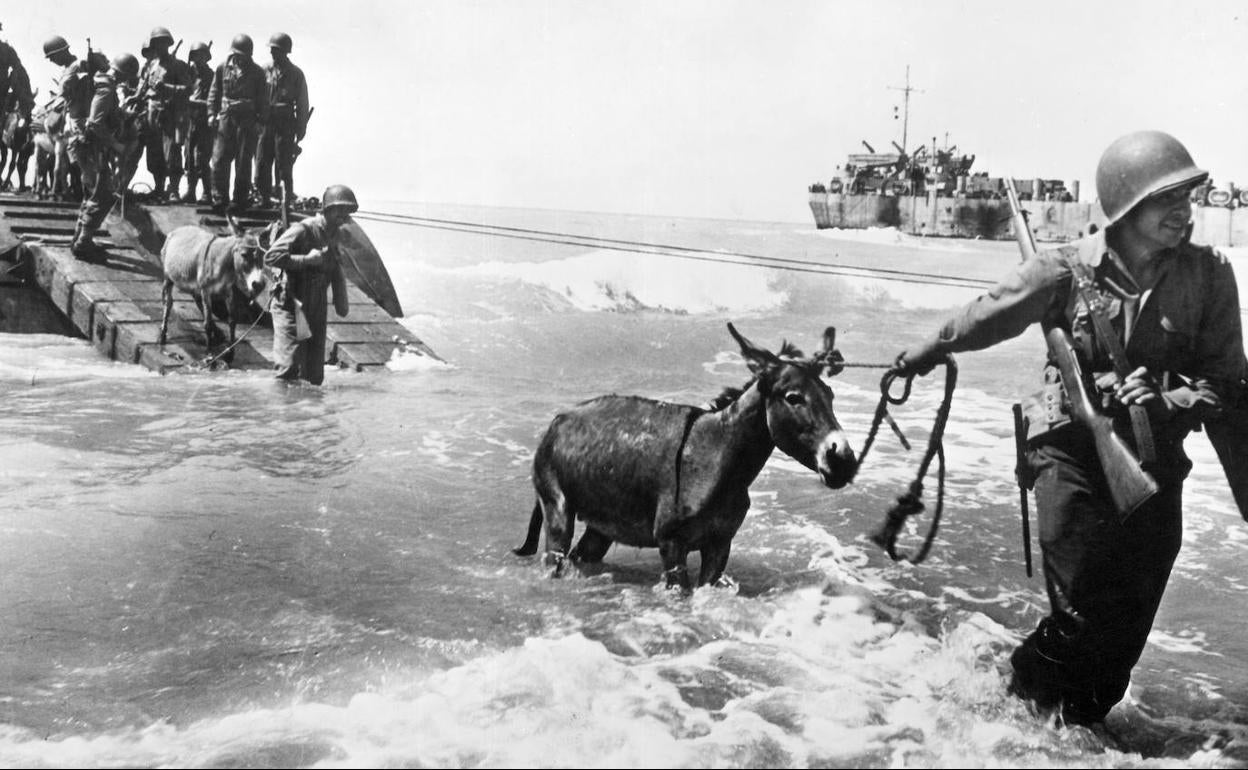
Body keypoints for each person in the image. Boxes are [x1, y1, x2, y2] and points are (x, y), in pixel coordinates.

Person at [888, 130, 1245, 727]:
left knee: (1125, 629)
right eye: (1168, 200)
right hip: (1068, 448)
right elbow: (984, 316)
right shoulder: (1062, 271)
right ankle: (1018, 703)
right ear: (1129, 208)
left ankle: (1075, 730)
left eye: (1190, 196)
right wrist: (923, 352)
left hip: (1154, 459)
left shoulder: (1208, 275)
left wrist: (1168, 399)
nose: (1185, 212)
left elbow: (1226, 382)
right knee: (1079, 610)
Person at [263, 183, 353, 385]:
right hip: (290, 304)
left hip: (316, 307)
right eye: (341, 210)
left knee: (314, 375)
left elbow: (336, 269)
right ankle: (282, 411)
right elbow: (271, 257)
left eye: (348, 212)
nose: (344, 217)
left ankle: (308, 415)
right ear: (328, 209)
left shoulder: (336, 234)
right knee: (288, 368)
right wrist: (306, 260)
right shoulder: (303, 229)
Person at [69, 53, 131, 260]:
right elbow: (95, 123)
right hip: (92, 147)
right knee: (103, 194)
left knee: (92, 193)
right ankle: (83, 242)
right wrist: (116, 144)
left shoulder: (98, 82)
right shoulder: (106, 87)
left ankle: (80, 238)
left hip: (86, 147)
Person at [207, 33, 267, 213]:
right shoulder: (222, 68)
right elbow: (214, 92)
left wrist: (260, 121)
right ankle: (219, 198)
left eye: (243, 55)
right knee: (219, 159)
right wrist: (211, 113)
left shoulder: (257, 72)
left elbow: (263, 100)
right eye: (237, 54)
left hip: (247, 121)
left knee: (243, 162)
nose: (239, 58)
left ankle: (239, 200)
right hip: (226, 118)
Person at [135, 27, 191, 203]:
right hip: (151, 112)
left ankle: (173, 190)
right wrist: (136, 97)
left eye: (163, 43)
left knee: (172, 152)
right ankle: (159, 187)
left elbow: (188, 89)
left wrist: (166, 88)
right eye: (156, 43)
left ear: (168, 44)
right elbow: (142, 86)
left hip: (170, 113)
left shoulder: (178, 65)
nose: (160, 46)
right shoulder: (150, 65)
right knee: (154, 153)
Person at [254, 32, 309, 209]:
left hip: (285, 123)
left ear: (285, 51)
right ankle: (263, 198)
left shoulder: (296, 74)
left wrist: (301, 128)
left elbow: (302, 103)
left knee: (284, 164)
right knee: (262, 161)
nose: (272, 53)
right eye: (271, 49)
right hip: (265, 122)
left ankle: (283, 199)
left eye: (276, 50)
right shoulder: (263, 71)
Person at [181, 41, 213, 204]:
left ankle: (207, 192)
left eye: (200, 56)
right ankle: (191, 190)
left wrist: (194, 102)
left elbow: (212, 102)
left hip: (204, 122)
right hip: (190, 121)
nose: (197, 60)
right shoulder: (189, 75)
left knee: (202, 158)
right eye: (194, 56)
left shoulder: (211, 76)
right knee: (189, 158)